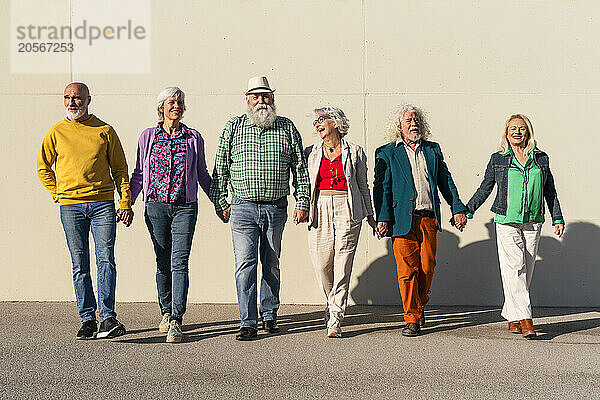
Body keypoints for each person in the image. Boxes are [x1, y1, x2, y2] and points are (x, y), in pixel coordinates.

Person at [209, 76, 310, 341]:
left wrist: (302, 202)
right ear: (247, 100)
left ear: (272, 99)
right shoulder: (234, 127)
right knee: (245, 264)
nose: (261, 101)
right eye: (256, 96)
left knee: (272, 263)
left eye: (266, 96)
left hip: (276, 208)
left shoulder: (287, 127)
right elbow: (220, 168)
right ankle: (248, 321)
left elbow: (299, 168)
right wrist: (221, 202)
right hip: (242, 208)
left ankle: (269, 314)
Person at [36, 82, 132, 340]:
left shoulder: (105, 130)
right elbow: (43, 167)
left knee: (106, 260)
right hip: (70, 207)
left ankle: (108, 317)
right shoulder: (56, 132)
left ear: (88, 100)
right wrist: (57, 193)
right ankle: (88, 319)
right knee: (80, 264)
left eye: (77, 98)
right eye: (67, 98)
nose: (71, 103)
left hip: (102, 204)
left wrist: (124, 202)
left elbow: (120, 171)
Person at [466, 114, 564, 339]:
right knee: (515, 268)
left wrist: (557, 217)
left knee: (526, 270)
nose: (517, 132)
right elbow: (485, 187)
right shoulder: (498, 158)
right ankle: (526, 319)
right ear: (506, 132)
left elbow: (550, 190)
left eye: (521, 128)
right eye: (513, 128)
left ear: (528, 131)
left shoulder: (540, 158)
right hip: (506, 220)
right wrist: (468, 209)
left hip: (533, 220)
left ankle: (512, 315)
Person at [373, 104, 467, 337]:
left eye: (416, 120)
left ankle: (419, 302)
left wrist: (457, 208)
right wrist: (382, 218)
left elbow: (446, 181)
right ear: (399, 126)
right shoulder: (386, 152)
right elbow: (381, 188)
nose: (413, 124)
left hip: (428, 218)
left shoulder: (433, 150)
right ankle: (412, 317)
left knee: (427, 267)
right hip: (402, 220)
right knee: (406, 272)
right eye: (408, 121)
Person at [130, 87, 211, 343]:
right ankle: (165, 311)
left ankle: (176, 317)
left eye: (179, 102)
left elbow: (202, 174)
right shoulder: (147, 137)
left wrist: (219, 203)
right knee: (162, 261)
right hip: (155, 207)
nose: (176, 105)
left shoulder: (193, 138)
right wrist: (127, 202)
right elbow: (139, 174)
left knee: (180, 262)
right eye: (171, 102)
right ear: (162, 107)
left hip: (185, 207)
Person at [304, 107, 377, 338]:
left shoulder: (355, 151)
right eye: (315, 121)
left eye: (321, 120)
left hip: (348, 207)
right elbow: (305, 185)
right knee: (322, 263)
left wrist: (370, 215)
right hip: (321, 206)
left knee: (343, 264)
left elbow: (363, 185)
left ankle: (336, 316)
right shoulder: (312, 152)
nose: (317, 124)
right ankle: (330, 302)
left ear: (335, 122)